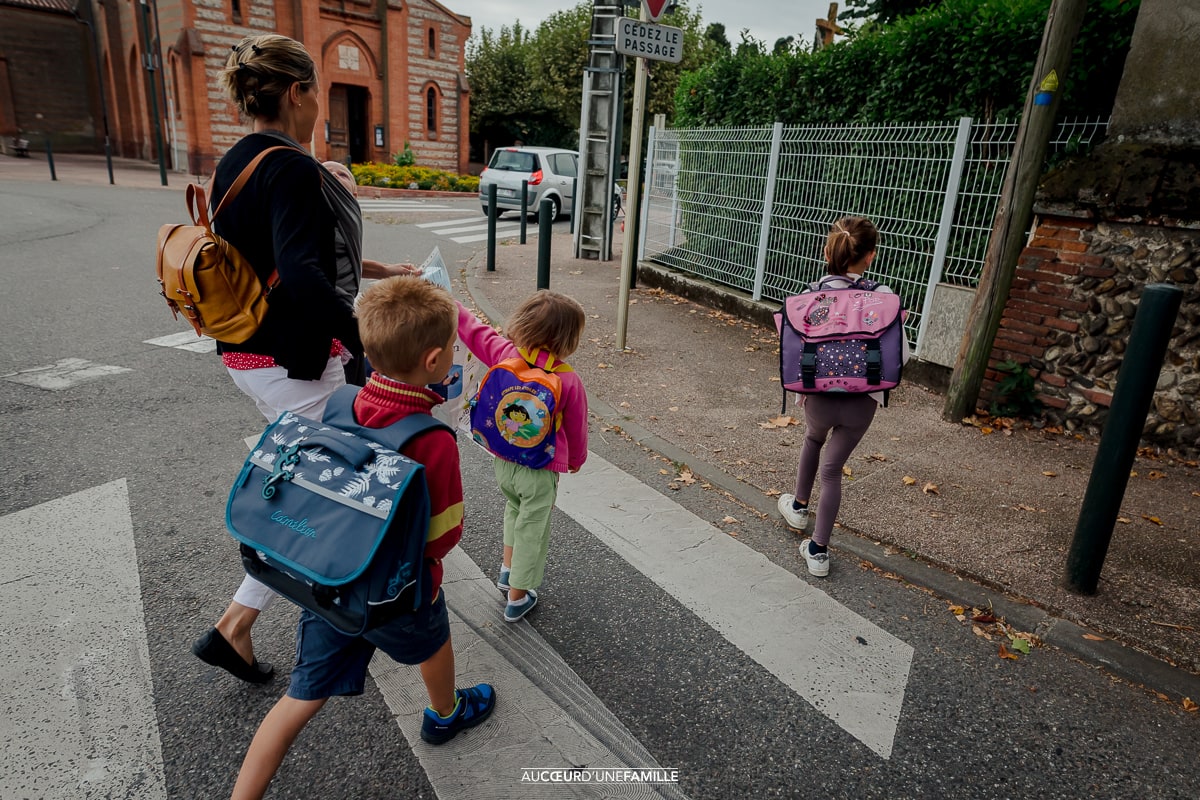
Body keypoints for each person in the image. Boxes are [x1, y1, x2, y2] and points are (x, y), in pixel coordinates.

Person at [230, 276, 497, 800]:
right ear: (435, 360)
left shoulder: (337, 403)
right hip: (397, 590)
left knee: (301, 697)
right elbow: (444, 534)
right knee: (434, 640)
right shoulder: (432, 439)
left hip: (329, 578)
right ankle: (445, 713)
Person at [190, 34, 359, 684]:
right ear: (297, 92)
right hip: (290, 355)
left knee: (307, 476)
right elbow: (304, 276)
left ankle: (238, 624)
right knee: (324, 489)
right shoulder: (290, 166)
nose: (318, 105)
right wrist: (368, 334)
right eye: (315, 91)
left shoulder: (235, 159)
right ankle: (254, 621)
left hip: (244, 350)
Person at [776, 216, 909, 577]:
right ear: (871, 256)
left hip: (817, 395)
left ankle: (799, 507)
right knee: (833, 471)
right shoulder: (882, 298)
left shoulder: (809, 296)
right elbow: (902, 355)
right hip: (862, 402)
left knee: (812, 439)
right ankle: (818, 551)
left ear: (826, 252)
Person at [456, 292, 588, 622]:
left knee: (513, 509)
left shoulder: (505, 352)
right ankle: (518, 596)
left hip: (503, 458)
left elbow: (472, 330)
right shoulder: (568, 380)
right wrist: (575, 460)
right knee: (533, 526)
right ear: (568, 339)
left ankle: (507, 569)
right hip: (539, 469)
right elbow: (577, 429)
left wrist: (449, 302)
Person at [320, 159, 415, 384]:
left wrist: (384, 270)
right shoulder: (316, 214)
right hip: (328, 321)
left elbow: (339, 260)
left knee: (356, 381)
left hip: (338, 318)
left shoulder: (345, 215)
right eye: (326, 172)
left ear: (354, 193)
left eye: (342, 174)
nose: (333, 175)